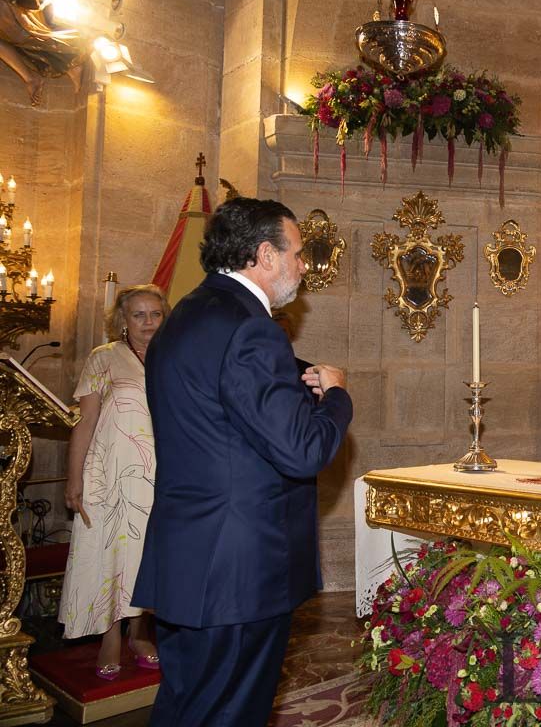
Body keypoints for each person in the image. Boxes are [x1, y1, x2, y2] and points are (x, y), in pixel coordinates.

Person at [132, 197, 353, 726]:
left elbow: (220, 421)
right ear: (264, 254)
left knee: (187, 706)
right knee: (232, 713)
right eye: (296, 253)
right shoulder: (251, 327)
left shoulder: (184, 316)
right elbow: (303, 451)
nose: (303, 265)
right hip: (239, 571)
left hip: (187, 557)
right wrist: (338, 397)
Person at [59, 284, 169, 679]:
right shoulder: (102, 359)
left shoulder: (172, 357)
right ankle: (109, 637)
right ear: (122, 320)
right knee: (110, 555)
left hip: (159, 475)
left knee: (147, 558)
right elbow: (84, 422)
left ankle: (139, 634)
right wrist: (74, 480)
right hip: (108, 476)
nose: (148, 322)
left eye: (155, 314)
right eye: (139, 315)